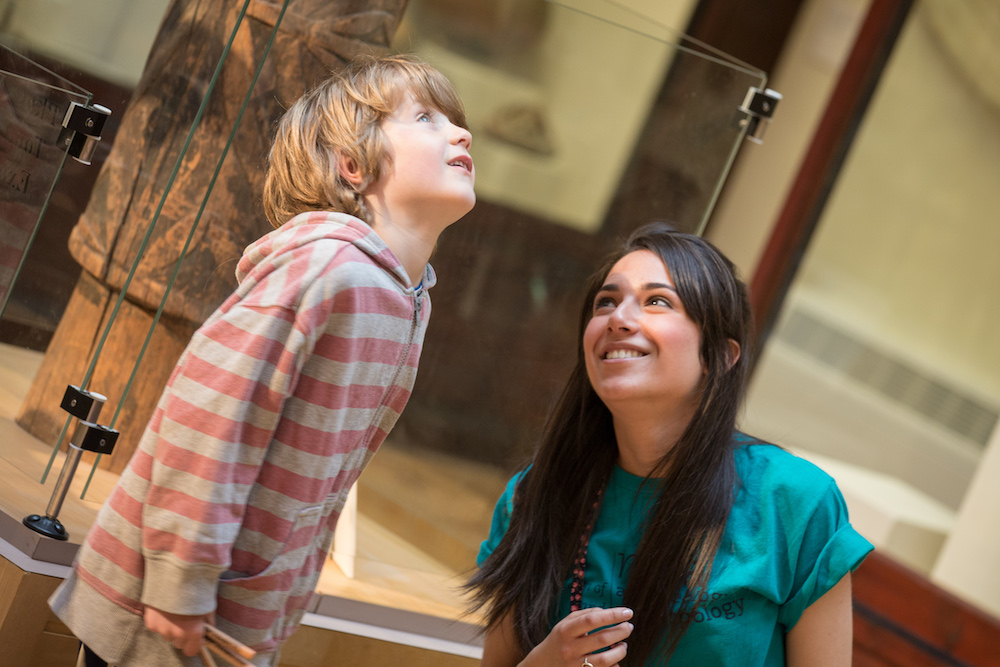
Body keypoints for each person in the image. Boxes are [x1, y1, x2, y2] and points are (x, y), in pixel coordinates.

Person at [50, 53, 476, 666]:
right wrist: (181, 581)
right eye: (427, 118)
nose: (461, 132)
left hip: (236, 616)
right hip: (165, 611)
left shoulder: (407, 298)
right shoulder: (326, 269)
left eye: (456, 121)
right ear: (352, 165)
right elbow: (209, 416)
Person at [467, 223, 873, 666]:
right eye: (606, 301)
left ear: (719, 356)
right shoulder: (533, 495)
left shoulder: (794, 502)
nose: (618, 319)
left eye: (657, 301)